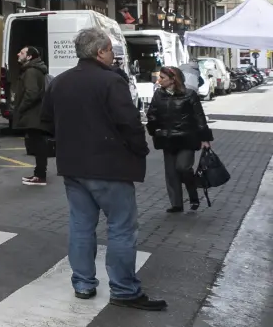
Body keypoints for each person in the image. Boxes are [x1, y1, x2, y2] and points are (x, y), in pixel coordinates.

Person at [41, 27, 166, 311]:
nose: (113, 55)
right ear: (100, 52)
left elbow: (46, 121)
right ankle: (124, 289)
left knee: (81, 226)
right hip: (110, 167)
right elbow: (129, 123)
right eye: (111, 50)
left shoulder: (60, 82)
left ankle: (83, 283)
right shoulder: (111, 81)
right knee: (121, 228)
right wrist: (140, 149)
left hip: (73, 166)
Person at [145, 65, 213, 213]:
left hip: (187, 139)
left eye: (162, 77)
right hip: (167, 139)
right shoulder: (159, 94)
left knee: (183, 167)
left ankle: (193, 194)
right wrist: (154, 130)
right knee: (171, 174)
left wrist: (205, 138)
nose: (159, 80)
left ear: (173, 79)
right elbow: (152, 114)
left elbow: (199, 117)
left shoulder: (189, 94)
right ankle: (176, 204)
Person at [12, 45, 51, 186]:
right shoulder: (35, 70)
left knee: (38, 145)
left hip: (34, 115)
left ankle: (40, 176)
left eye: (22, 52)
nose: (18, 54)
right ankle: (38, 174)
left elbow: (32, 93)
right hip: (36, 114)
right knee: (38, 144)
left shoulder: (31, 71)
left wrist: (20, 108)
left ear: (29, 57)